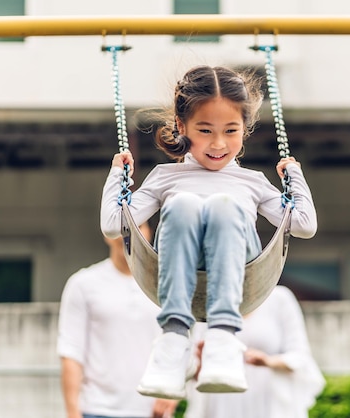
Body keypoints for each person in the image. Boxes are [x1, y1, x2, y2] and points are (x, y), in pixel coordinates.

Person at [100, 65, 317, 400]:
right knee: (184, 204)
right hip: (177, 274)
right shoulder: (165, 178)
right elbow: (114, 224)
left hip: (240, 275)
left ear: (244, 129)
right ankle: (173, 338)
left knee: (223, 206)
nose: (218, 143)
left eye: (230, 130)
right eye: (205, 130)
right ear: (181, 126)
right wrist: (118, 175)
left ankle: (223, 337)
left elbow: (303, 224)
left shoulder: (251, 182)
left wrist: (295, 177)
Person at [57, 223, 179, 418]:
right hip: (97, 410)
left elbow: (180, 343)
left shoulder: (167, 286)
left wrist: (173, 389)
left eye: (138, 225)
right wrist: (73, 413)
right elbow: (71, 352)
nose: (128, 232)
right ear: (107, 233)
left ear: (149, 233)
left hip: (152, 412)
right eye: (122, 225)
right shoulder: (82, 284)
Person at [184, 285, 325, 418]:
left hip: (267, 399)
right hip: (222, 400)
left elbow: (300, 356)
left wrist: (268, 361)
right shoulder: (210, 301)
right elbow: (195, 368)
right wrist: (201, 363)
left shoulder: (279, 298)